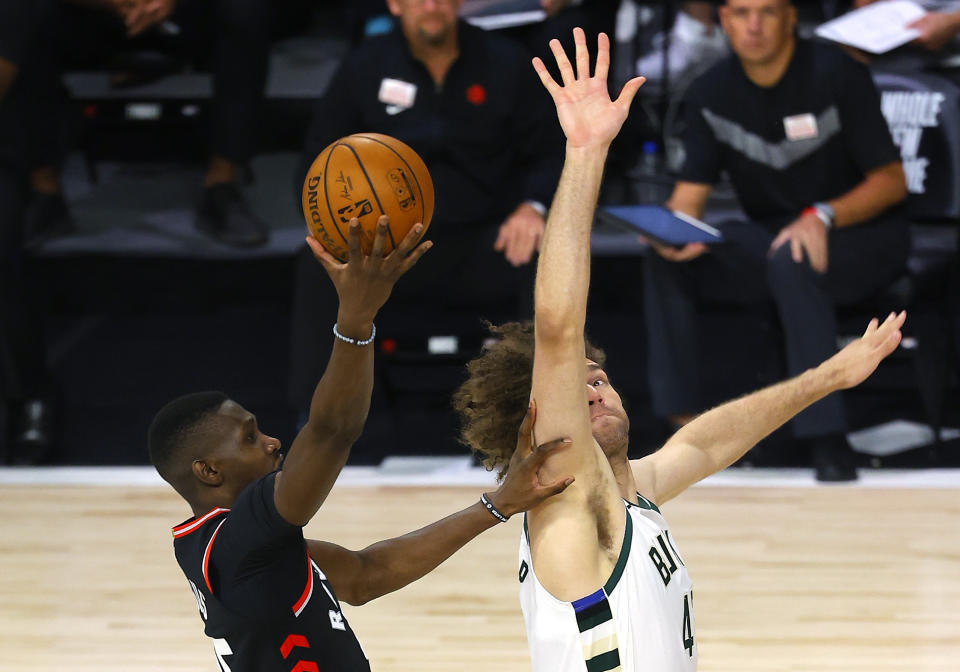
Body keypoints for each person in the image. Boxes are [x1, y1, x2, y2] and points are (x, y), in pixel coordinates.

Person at [453, 28, 907, 671]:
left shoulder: (629, 494)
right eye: (573, 387)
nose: (595, 389)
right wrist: (584, 154)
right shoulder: (568, 497)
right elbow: (557, 324)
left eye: (599, 377)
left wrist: (824, 378)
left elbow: (704, 444)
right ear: (537, 419)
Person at [149, 219, 574, 672]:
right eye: (250, 437)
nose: (274, 443)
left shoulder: (232, 547)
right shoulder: (240, 546)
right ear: (208, 471)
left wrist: (496, 505)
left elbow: (366, 574)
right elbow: (331, 432)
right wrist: (355, 319)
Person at [642, 0, 910, 481]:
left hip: (862, 233)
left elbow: (891, 179)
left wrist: (822, 215)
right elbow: (690, 196)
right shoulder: (710, 92)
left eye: (767, 12)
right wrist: (672, 232)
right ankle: (682, 427)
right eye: (741, 13)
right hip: (772, 233)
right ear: (724, 20)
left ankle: (826, 439)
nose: (753, 26)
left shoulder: (837, 73)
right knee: (668, 259)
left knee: (792, 255)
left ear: (790, 17)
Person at [290, 0, 564, 414]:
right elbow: (316, 163)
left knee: (550, 258)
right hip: (389, 252)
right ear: (395, 5)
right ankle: (333, 431)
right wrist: (341, 234)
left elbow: (549, 152)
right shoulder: (365, 65)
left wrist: (533, 207)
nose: (431, 6)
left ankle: (545, 420)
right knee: (316, 266)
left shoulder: (506, 62)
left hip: (486, 239)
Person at [15, 0, 274, 249]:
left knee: (247, 8)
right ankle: (44, 190)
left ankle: (222, 184)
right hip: (92, 15)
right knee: (21, 10)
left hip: (184, 15)